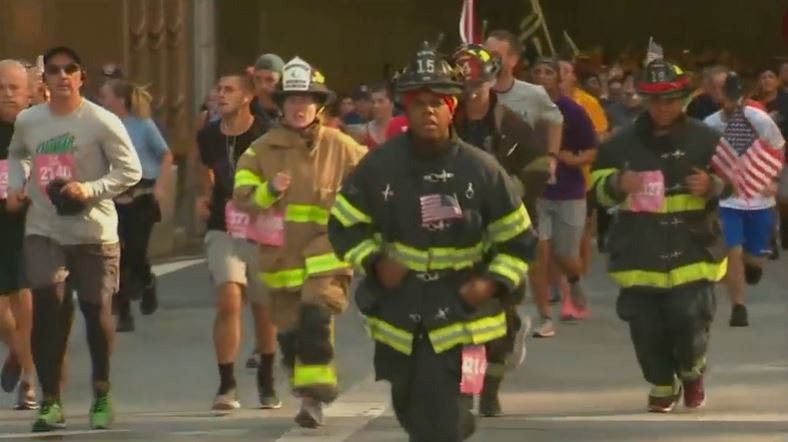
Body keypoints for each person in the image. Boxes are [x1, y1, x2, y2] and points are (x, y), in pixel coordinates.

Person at [328, 43, 536, 442]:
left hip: (465, 317)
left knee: (445, 420)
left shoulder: (483, 171)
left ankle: (463, 411)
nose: (428, 111)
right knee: (411, 409)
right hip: (400, 314)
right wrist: (374, 262)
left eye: (437, 103)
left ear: (452, 108)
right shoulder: (378, 167)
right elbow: (343, 226)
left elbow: (519, 242)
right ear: (406, 109)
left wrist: (491, 283)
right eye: (419, 103)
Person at [7, 46, 141, 431]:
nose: (62, 76)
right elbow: (17, 155)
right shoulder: (30, 121)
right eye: (54, 70)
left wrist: (90, 189)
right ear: (44, 80)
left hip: (94, 232)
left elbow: (130, 170)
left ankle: (101, 391)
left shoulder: (101, 121)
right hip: (44, 229)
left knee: (96, 314)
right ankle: (50, 401)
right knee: (47, 308)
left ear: (82, 77)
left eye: (70, 69)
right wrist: (16, 185)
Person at [233, 57, 366, 428]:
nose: (300, 106)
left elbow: (374, 181)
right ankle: (305, 388)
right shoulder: (260, 150)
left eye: (307, 98)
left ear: (319, 105)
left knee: (316, 314)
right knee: (291, 334)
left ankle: (315, 396)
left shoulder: (341, 146)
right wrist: (268, 191)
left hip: (327, 253)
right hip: (281, 258)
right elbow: (242, 198)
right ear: (281, 104)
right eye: (292, 99)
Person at [591, 57, 728, 413]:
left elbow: (735, 181)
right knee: (646, 329)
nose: (662, 107)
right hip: (639, 253)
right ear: (643, 100)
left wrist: (712, 185)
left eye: (669, 99)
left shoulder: (707, 139)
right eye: (654, 100)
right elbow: (596, 190)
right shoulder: (620, 144)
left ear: (683, 98)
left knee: (688, 318)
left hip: (694, 251)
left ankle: (692, 370)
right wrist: (616, 183)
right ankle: (662, 383)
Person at [452, 43, 548, 417]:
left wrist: (510, 192)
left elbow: (539, 168)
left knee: (500, 319)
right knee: (464, 317)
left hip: (505, 234)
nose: (472, 93)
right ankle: (470, 390)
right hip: (455, 234)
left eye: (478, 85)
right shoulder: (445, 123)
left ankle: (490, 389)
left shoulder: (512, 125)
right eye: (464, 87)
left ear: (492, 82)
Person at [196, 72, 281, 413]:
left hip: (262, 225)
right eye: (217, 89)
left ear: (248, 97)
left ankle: (266, 377)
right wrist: (204, 195)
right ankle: (227, 383)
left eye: (228, 90)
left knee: (263, 306)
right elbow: (204, 167)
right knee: (228, 299)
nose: (220, 95)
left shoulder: (266, 134)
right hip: (223, 225)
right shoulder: (208, 134)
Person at [484, 30, 564, 339]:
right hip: (484, 186)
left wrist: (552, 157)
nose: (490, 61)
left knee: (534, 251)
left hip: (523, 184)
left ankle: (544, 315)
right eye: (486, 54)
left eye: (497, 55)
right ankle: (502, 315)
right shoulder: (476, 92)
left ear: (514, 59)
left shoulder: (532, 94)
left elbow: (555, 120)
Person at [704, 72, 785, 327]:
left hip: (760, 198)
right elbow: (701, 154)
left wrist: (774, 180)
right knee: (734, 251)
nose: (732, 103)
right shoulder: (710, 124)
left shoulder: (758, 118)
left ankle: (755, 263)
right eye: (726, 96)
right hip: (730, 198)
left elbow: (778, 146)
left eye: (736, 97)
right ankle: (739, 307)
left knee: (753, 257)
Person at [99, 79, 172, 332]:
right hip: (113, 197)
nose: (101, 101)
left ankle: (147, 282)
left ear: (119, 99)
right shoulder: (102, 126)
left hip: (142, 196)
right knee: (117, 252)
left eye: (105, 96)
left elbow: (166, 155)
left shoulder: (142, 124)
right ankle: (124, 311)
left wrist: (161, 186)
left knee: (136, 251)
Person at [530, 58, 597, 333]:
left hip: (569, 191)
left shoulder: (573, 111)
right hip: (537, 192)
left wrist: (572, 159)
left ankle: (575, 280)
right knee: (539, 253)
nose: (542, 76)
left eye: (548, 72)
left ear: (559, 79)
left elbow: (592, 149)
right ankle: (545, 317)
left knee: (564, 253)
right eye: (537, 72)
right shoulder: (523, 107)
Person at [0, 59, 36, 410]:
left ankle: (28, 378)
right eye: (0, 88)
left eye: (14, 88)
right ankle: (17, 351)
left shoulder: (39, 128)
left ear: (28, 93)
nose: (7, 94)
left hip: (31, 223)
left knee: (25, 301)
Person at [360, 83, 408, 150]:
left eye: (381, 101)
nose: (376, 106)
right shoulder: (364, 132)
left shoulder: (402, 128)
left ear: (391, 104)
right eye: (373, 102)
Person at [250, 53, 285, 126]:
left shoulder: (290, 116)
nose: (263, 86)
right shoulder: (245, 115)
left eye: (270, 80)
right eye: (258, 79)